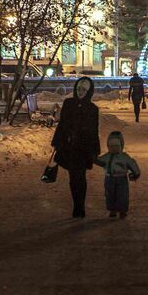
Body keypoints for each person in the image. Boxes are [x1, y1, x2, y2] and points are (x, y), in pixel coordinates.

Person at [50, 77, 100, 218]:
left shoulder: (92, 109)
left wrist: (94, 149)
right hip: (69, 146)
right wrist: (57, 141)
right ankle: (77, 205)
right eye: (78, 89)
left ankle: (80, 206)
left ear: (89, 91)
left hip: (83, 148)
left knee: (80, 177)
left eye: (84, 89)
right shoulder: (69, 104)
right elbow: (62, 124)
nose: (80, 92)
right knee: (73, 178)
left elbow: (94, 130)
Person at [94, 131, 140, 219]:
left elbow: (132, 164)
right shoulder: (107, 156)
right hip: (109, 178)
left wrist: (135, 173)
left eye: (116, 146)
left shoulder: (124, 157)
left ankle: (122, 211)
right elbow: (99, 161)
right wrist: (92, 158)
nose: (114, 149)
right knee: (110, 195)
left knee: (122, 195)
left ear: (121, 146)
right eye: (111, 146)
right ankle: (112, 210)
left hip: (121, 178)